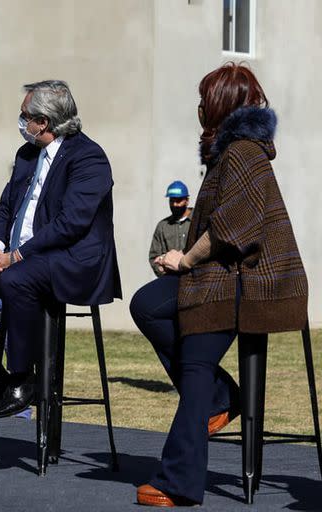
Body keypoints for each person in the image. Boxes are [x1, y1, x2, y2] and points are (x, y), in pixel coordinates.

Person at [130, 62, 308, 507]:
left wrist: (184, 259)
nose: (198, 108)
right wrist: (184, 263)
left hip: (250, 281)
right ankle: (217, 397)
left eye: (204, 99)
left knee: (195, 356)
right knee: (148, 304)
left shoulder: (243, 151)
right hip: (224, 274)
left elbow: (236, 228)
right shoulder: (231, 152)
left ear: (222, 104)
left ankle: (180, 480)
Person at [0, 80, 121, 420]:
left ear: (43, 122)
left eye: (24, 116)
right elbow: (4, 208)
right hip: (18, 258)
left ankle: (23, 379)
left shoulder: (88, 157)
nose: (20, 122)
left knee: (15, 279)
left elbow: (71, 223)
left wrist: (16, 257)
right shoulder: (26, 155)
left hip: (71, 260)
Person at [148, 181, 192, 276]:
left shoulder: (197, 220)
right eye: (172, 200)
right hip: (171, 279)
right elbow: (154, 256)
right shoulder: (163, 226)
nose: (175, 204)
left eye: (178, 200)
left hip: (196, 279)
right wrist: (162, 271)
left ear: (187, 201)